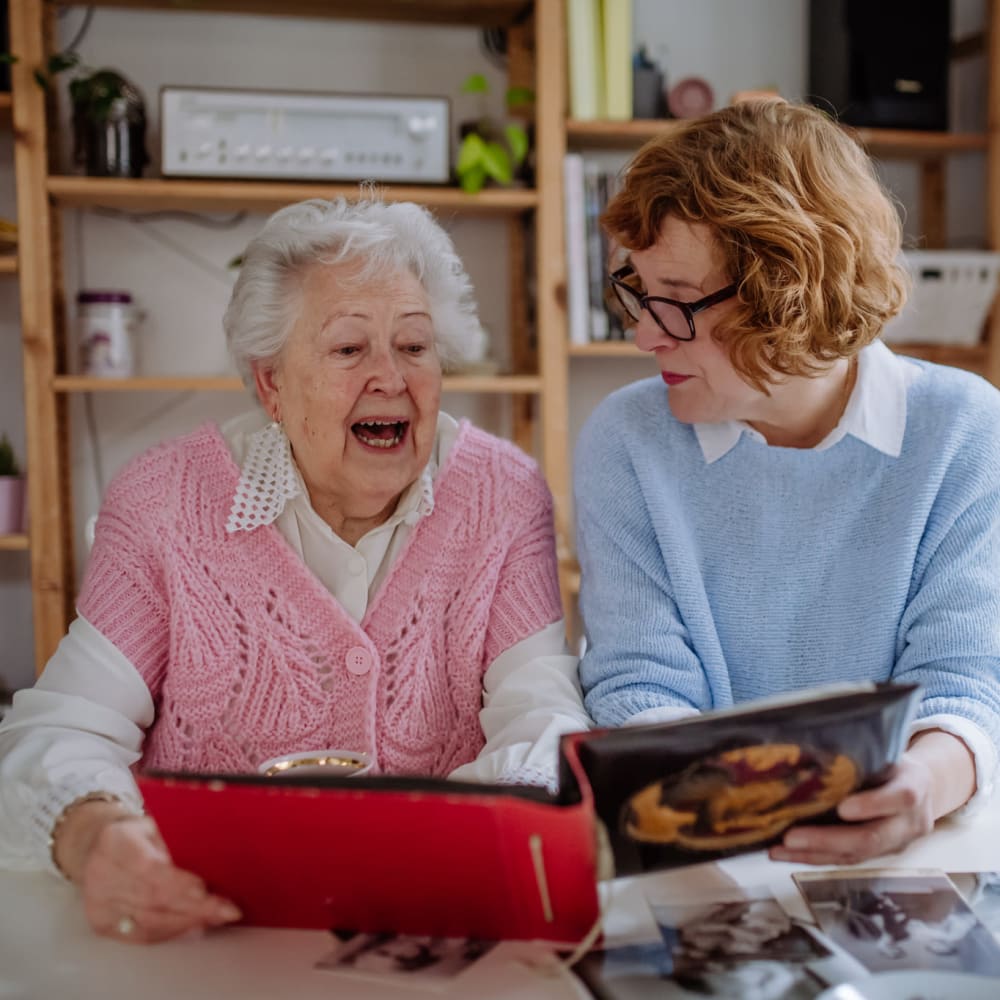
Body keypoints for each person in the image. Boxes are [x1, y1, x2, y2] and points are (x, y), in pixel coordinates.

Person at [0, 196, 591, 943]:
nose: (391, 378)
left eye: (414, 346)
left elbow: (544, 720)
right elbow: (61, 727)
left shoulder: (503, 494)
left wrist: (440, 849)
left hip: (430, 934)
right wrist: (92, 837)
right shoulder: (162, 505)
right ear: (272, 383)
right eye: (349, 350)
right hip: (210, 940)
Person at [574, 99, 1000, 867]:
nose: (642, 334)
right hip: (700, 850)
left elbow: (966, 681)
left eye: (674, 300)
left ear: (787, 295)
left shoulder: (964, 429)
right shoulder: (627, 438)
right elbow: (638, 684)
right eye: (637, 291)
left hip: (914, 848)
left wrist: (920, 788)